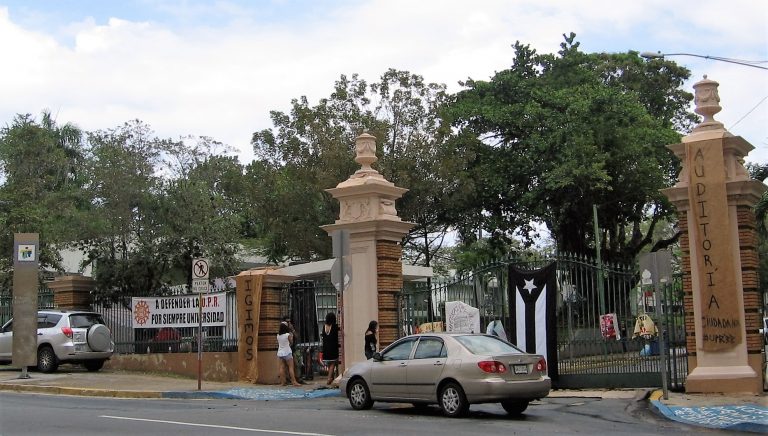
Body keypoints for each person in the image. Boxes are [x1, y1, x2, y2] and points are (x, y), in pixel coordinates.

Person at [277, 319, 301, 386]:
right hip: (287, 352)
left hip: (280, 352)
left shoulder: (278, 336)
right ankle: (294, 381)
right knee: (291, 367)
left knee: (281, 367)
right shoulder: (287, 335)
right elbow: (291, 342)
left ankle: (282, 382)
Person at [320, 312, 340, 385]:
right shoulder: (334, 326)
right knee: (333, 363)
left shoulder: (324, 326)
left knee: (329, 363)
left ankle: (331, 377)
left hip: (326, 348)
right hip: (333, 348)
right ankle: (329, 378)